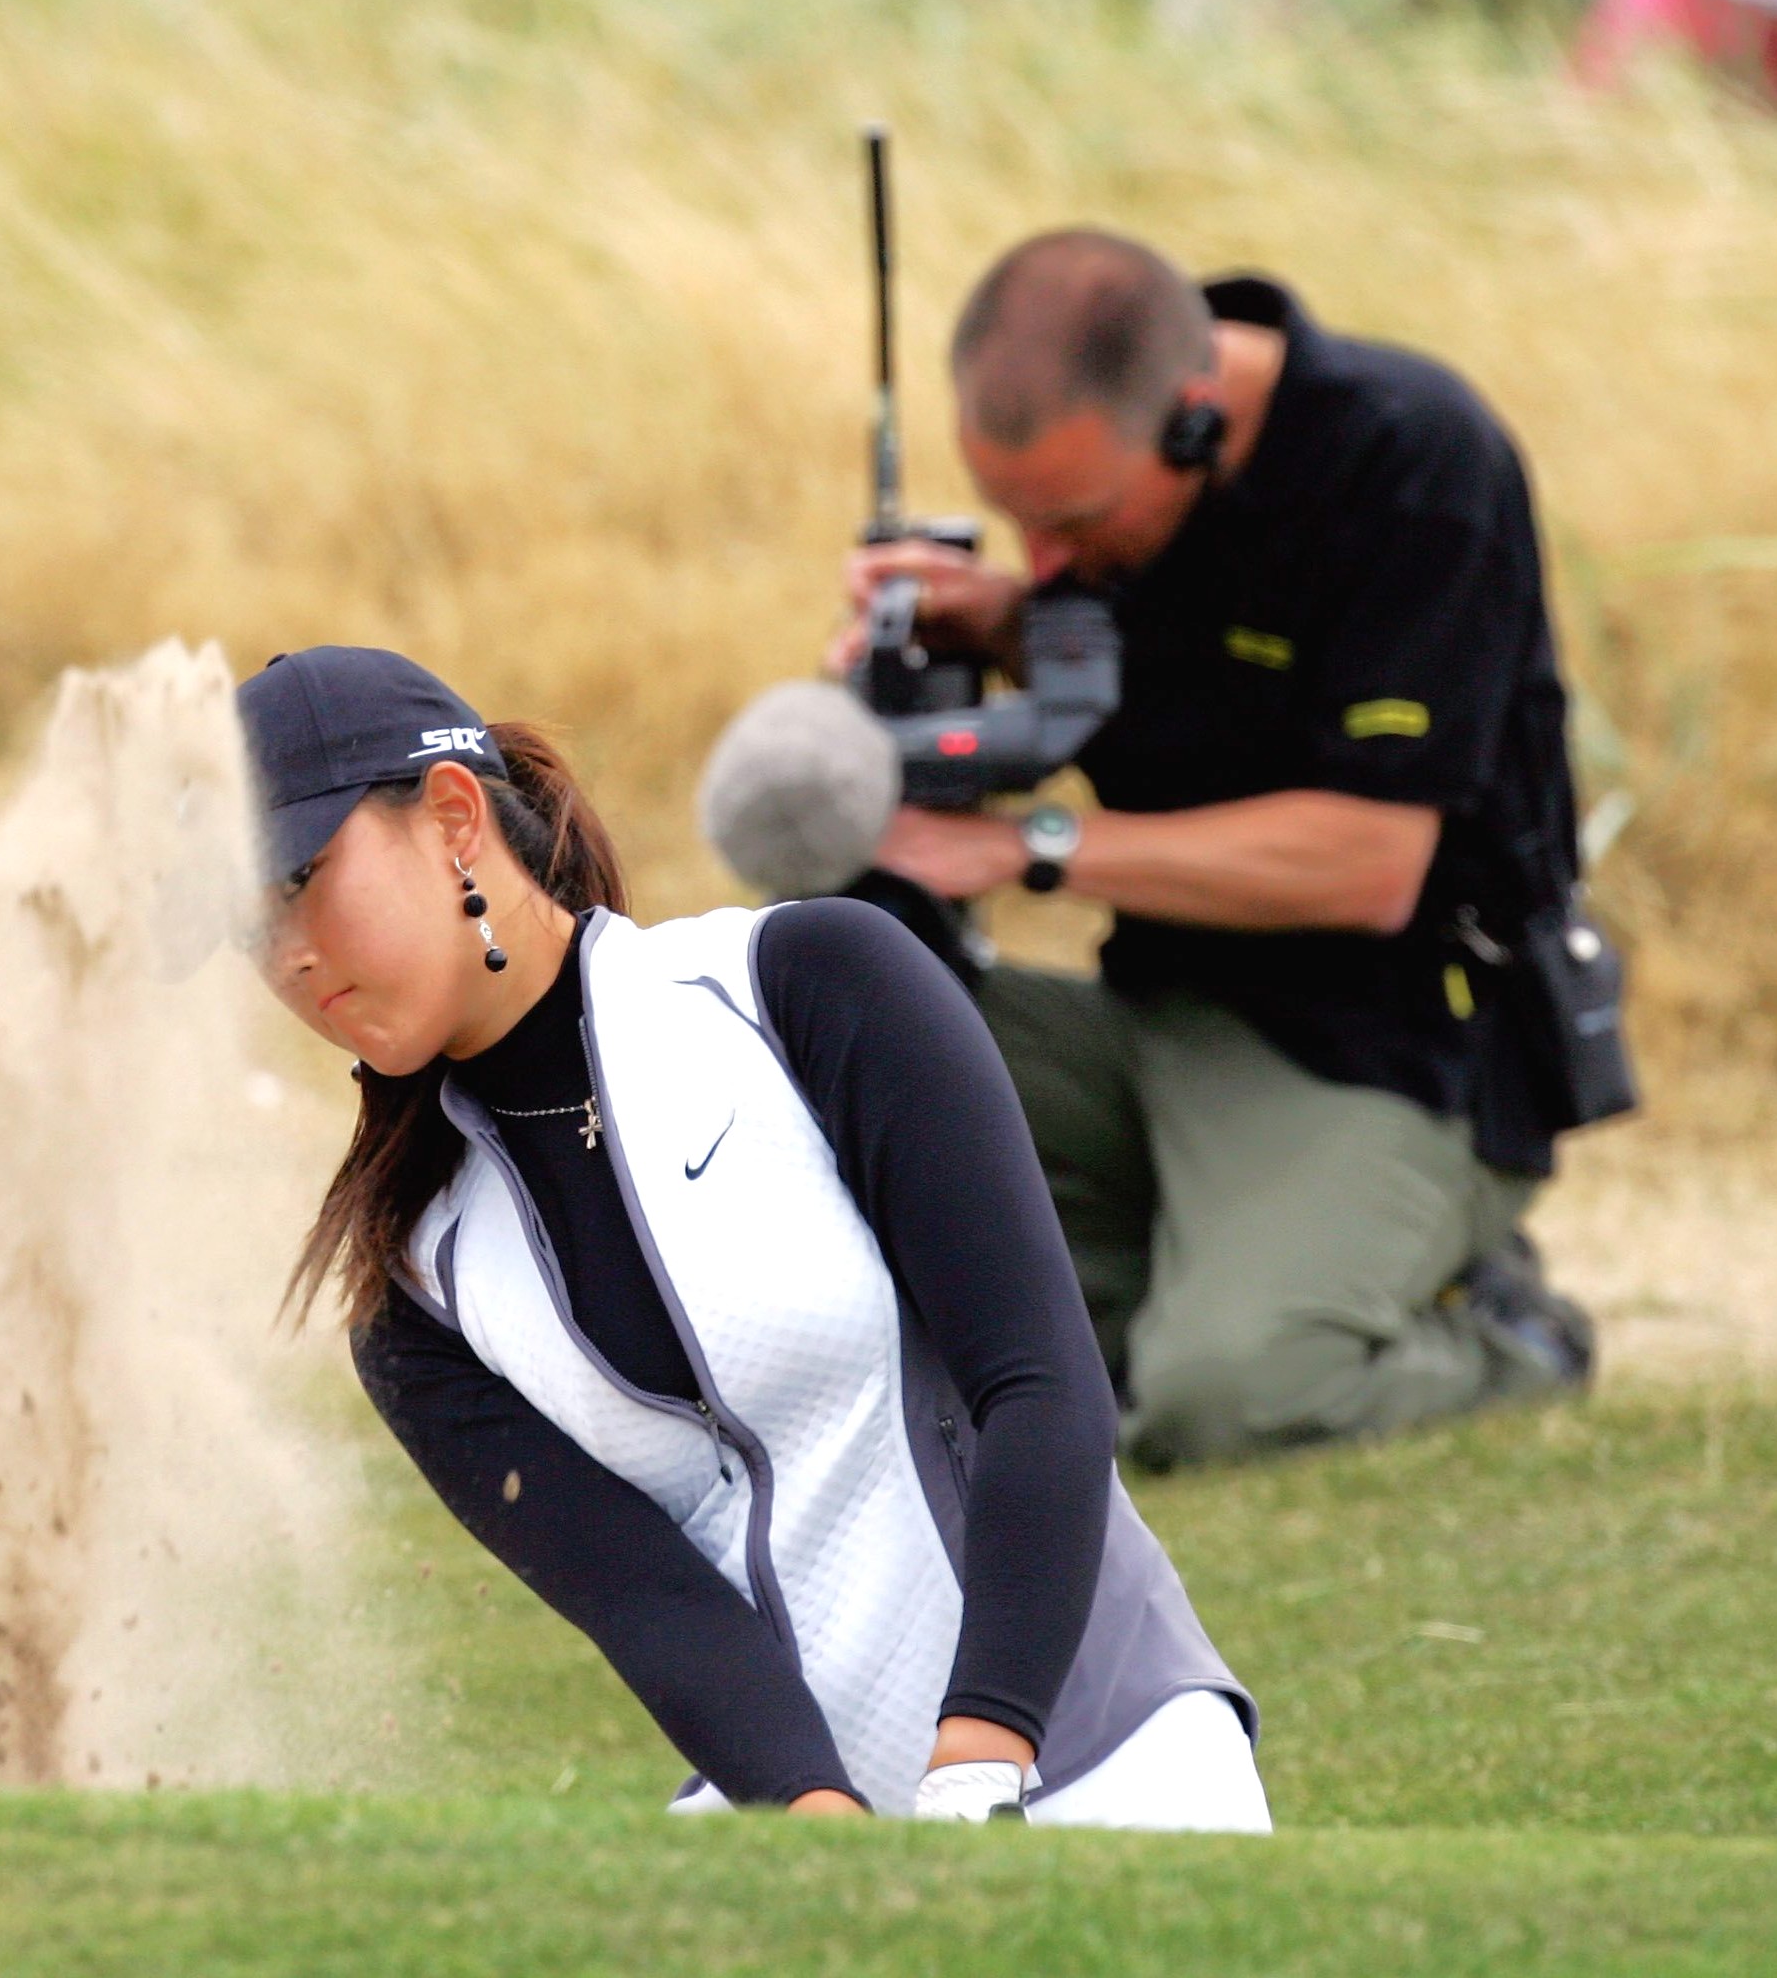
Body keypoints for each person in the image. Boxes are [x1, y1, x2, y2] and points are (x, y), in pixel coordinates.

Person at [237, 643, 1267, 1829]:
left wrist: (982, 1761)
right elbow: (646, 1598)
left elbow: (1040, 1386)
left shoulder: (806, 984)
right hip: (787, 1817)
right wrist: (820, 1835)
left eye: (302, 878)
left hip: (1101, 1751)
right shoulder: (414, 1288)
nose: (286, 956)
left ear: (455, 817)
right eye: (242, 923)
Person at [827, 231, 1610, 1473]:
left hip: (1393, 1053)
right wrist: (988, 632)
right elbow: (1163, 670)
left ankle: (1505, 1333)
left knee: (1222, 1400)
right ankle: (1228, 1276)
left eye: (1071, 523)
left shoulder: (1414, 463)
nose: (1052, 558)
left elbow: (1366, 862)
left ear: (1196, 421)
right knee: (826, 1051)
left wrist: (1022, 841)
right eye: (1020, 524)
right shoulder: (1119, 505)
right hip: (1158, 1017)